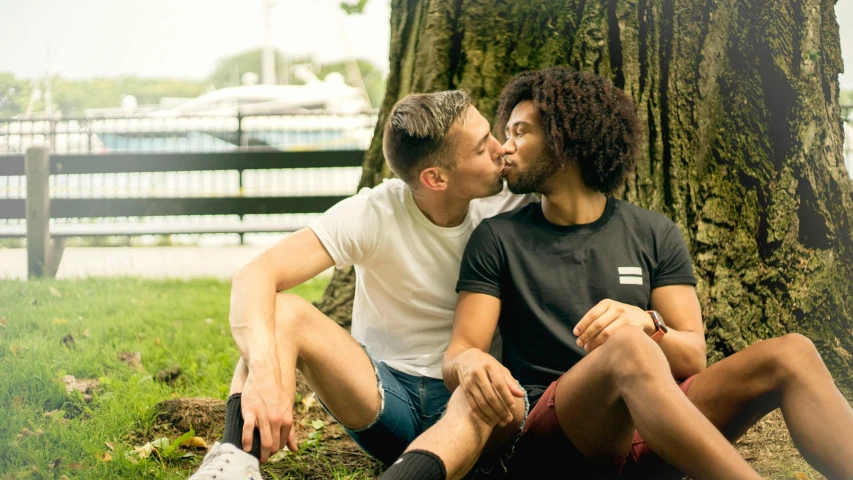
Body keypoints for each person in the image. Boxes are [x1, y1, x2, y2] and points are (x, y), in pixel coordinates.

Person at [396, 66, 853, 480]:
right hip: (562, 432)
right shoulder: (497, 238)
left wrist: (648, 323)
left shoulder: (653, 232)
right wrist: (471, 362)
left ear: (564, 139)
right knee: (627, 349)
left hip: (657, 426)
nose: (505, 148)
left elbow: (693, 356)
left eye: (520, 132)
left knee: (792, 352)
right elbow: (460, 350)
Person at [188, 90, 535, 480]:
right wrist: (265, 373)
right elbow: (255, 274)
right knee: (283, 312)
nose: (499, 149)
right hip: (384, 399)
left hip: (469, 400)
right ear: (435, 178)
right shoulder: (376, 212)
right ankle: (235, 461)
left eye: (491, 134)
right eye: (480, 147)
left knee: (486, 395)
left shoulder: (508, 204)